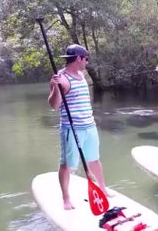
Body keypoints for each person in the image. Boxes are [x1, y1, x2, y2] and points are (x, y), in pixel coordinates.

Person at [48, 44, 110, 210]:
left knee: (94, 159)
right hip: (71, 128)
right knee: (67, 164)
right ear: (78, 59)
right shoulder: (61, 78)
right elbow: (54, 105)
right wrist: (55, 88)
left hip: (90, 125)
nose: (87, 62)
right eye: (86, 58)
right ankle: (66, 199)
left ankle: (103, 188)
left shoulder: (81, 74)